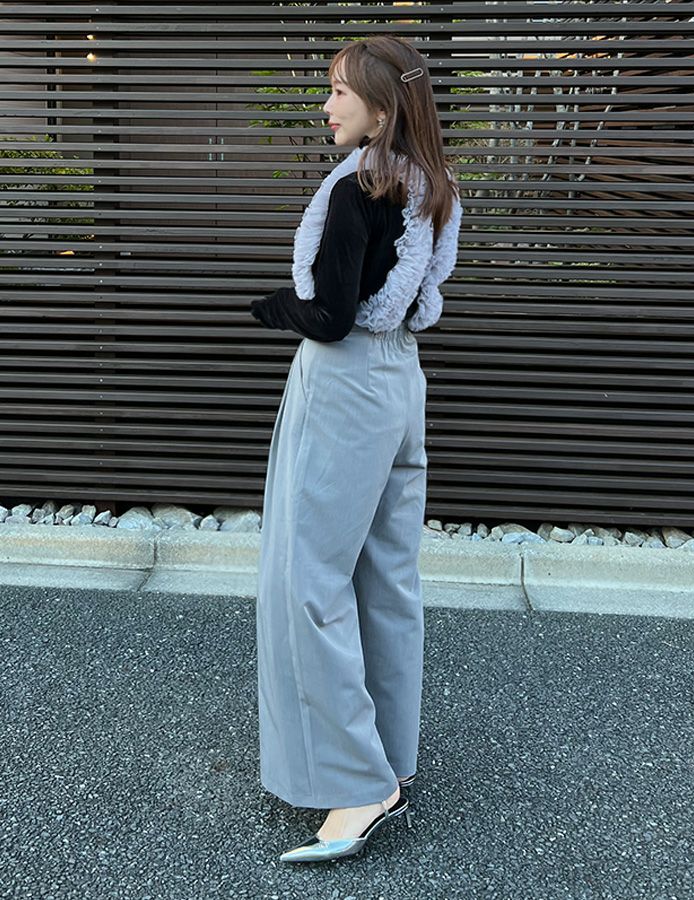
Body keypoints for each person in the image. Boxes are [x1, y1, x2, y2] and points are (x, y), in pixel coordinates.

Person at [249, 34, 463, 863]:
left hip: (343, 389)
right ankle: (389, 761)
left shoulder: (357, 188)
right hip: (401, 381)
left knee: (307, 578)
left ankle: (355, 783)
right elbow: (407, 293)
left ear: (382, 106)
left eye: (340, 90)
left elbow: (331, 317)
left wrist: (272, 306)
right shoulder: (432, 185)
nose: (326, 104)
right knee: (387, 575)